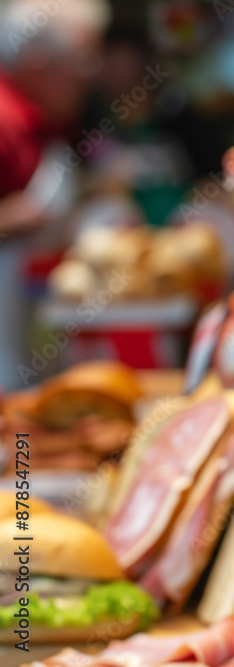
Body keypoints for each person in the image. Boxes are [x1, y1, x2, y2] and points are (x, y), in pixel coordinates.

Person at [0, 0, 109, 389]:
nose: (91, 73)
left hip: (32, 330)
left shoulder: (50, 118)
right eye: (82, 58)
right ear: (37, 62)